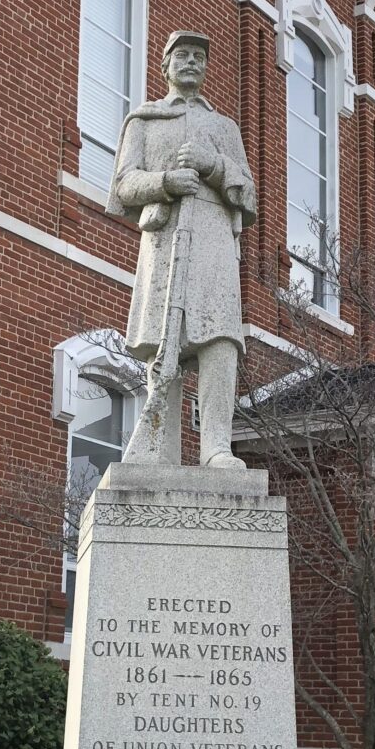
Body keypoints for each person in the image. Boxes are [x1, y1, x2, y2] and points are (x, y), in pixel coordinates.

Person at [105, 31, 256, 468]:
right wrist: (166, 183)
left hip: (212, 242)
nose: (191, 62)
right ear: (165, 65)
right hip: (165, 240)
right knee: (162, 347)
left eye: (199, 57)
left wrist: (214, 167)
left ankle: (215, 448)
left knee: (220, 340)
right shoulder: (144, 121)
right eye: (182, 55)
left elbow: (249, 196)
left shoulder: (224, 128)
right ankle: (160, 451)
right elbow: (123, 187)